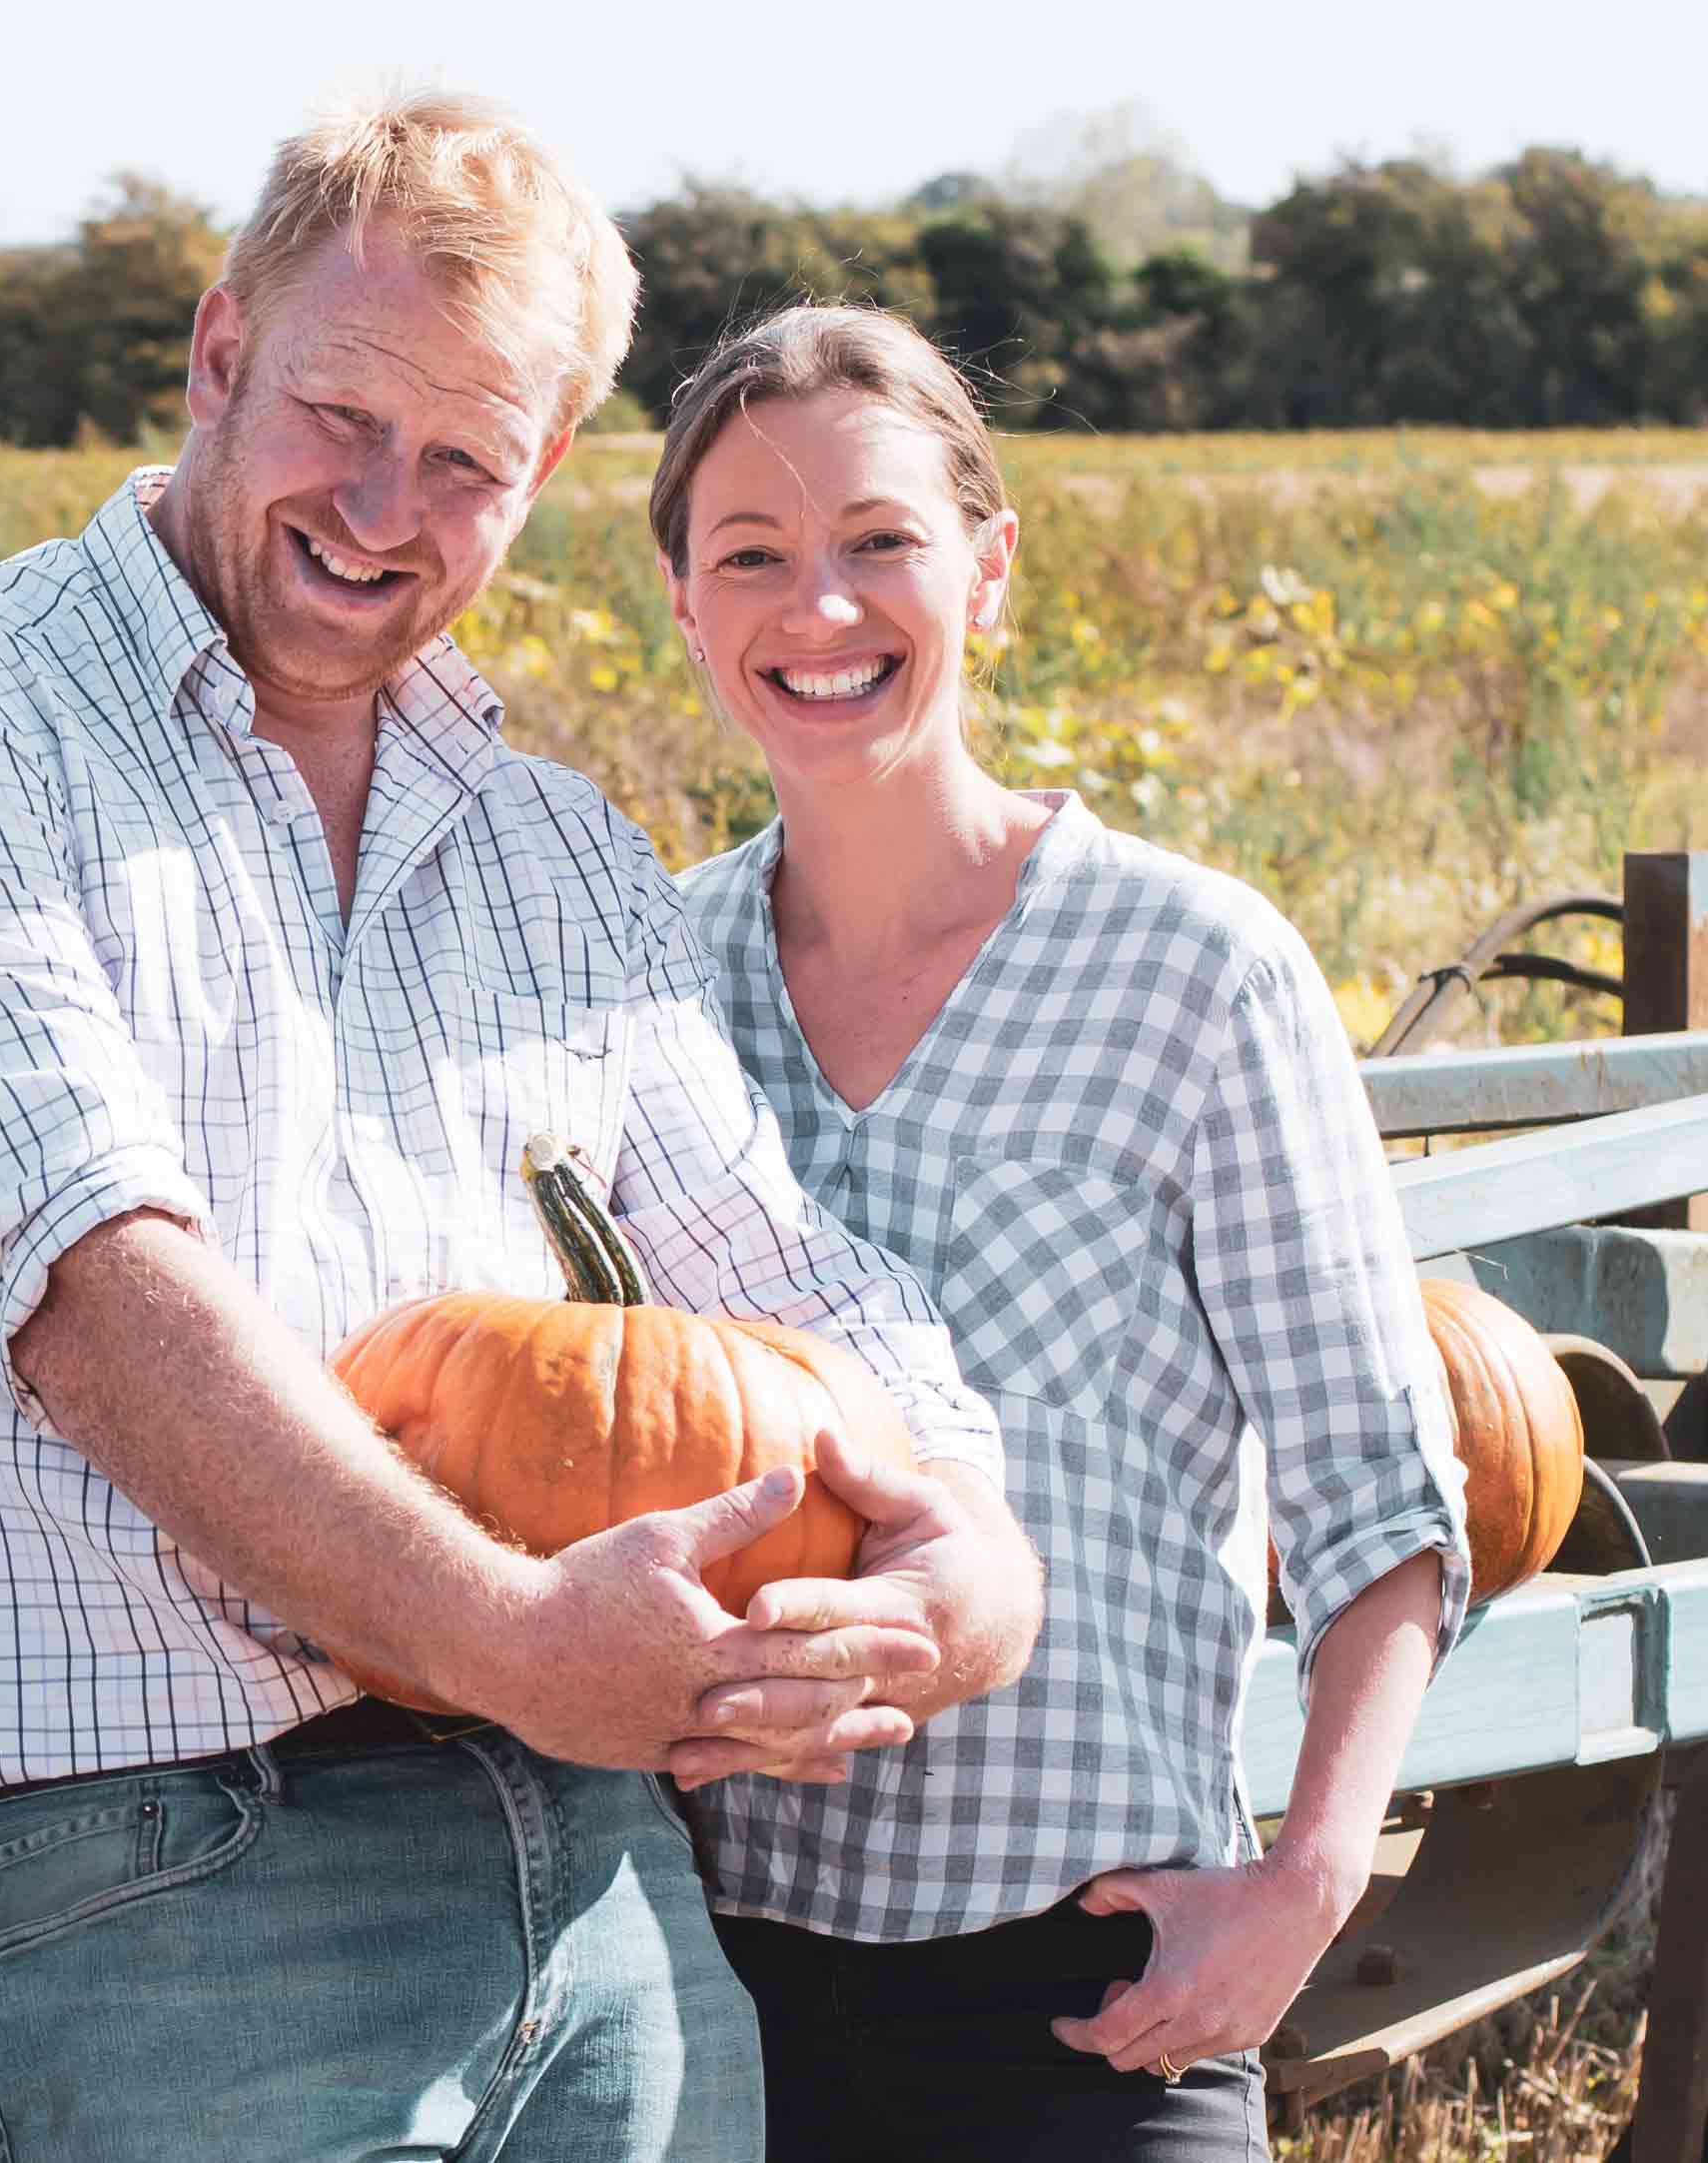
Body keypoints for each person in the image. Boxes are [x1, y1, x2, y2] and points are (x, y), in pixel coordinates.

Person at [0, 96, 1045, 2163]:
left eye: (465, 461)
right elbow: (90, 1299)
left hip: (591, 1850)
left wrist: (964, 1570)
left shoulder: (544, 850)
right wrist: (502, 1633)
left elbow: (785, 1282)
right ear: (220, 353)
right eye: (338, 414)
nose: (381, 504)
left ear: (540, 475)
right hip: (151, 1868)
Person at [651, 304, 1473, 2162]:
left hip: (1091, 1996)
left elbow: (1378, 1486)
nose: (823, 608)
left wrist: (1306, 1883)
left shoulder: (1193, 970)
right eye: (754, 557)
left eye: (881, 542)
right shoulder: (645, 980)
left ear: (987, 567)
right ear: (688, 609)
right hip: (713, 1984)